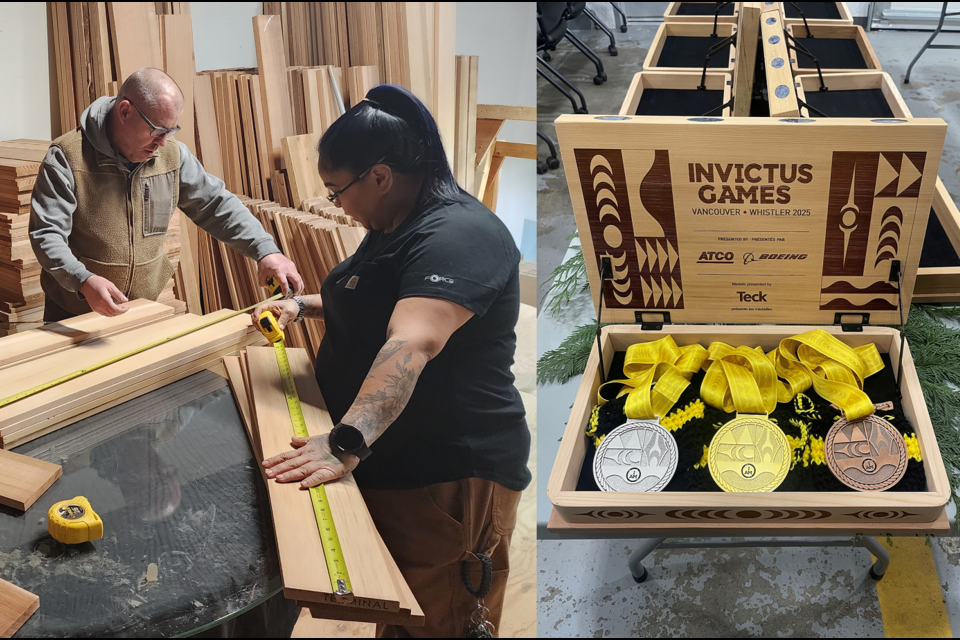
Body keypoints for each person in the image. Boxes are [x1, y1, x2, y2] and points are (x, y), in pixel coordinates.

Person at [251, 84, 530, 637]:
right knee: (406, 614)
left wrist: (344, 442)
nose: (338, 206)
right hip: (395, 460)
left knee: (445, 618)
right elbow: (375, 296)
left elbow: (412, 342)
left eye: (336, 191)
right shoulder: (393, 222)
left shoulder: (460, 235)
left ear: (379, 176)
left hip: (447, 476)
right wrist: (300, 307)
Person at [30, 68, 303, 322]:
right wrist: (82, 280)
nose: (163, 142)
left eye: (171, 131)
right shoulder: (67, 158)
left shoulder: (172, 155)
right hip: (75, 310)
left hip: (141, 307)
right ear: (125, 112)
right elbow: (47, 234)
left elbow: (215, 205)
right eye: (158, 130)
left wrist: (266, 251)